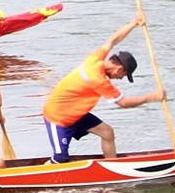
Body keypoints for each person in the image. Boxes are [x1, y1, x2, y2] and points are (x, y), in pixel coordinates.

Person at [41, 13, 166, 159]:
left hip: (75, 114)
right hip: (58, 116)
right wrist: (152, 97)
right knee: (60, 158)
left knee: (107, 133)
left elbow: (113, 40)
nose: (119, 79)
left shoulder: (96, 58)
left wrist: (134, 23)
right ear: (119, 69)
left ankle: (114, 168)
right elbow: (123, 103)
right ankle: (33, 179)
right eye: (123, 76)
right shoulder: (97, 78)